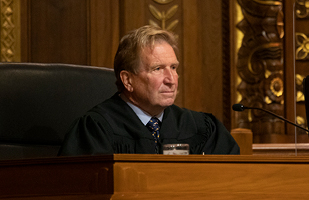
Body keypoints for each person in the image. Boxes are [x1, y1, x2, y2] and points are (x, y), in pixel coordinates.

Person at [58, 25, 239, 156]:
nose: (171, 80)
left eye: (174, 68)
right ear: (128, 80)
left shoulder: (200, 127)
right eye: (157, 69)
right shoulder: (96, 129)